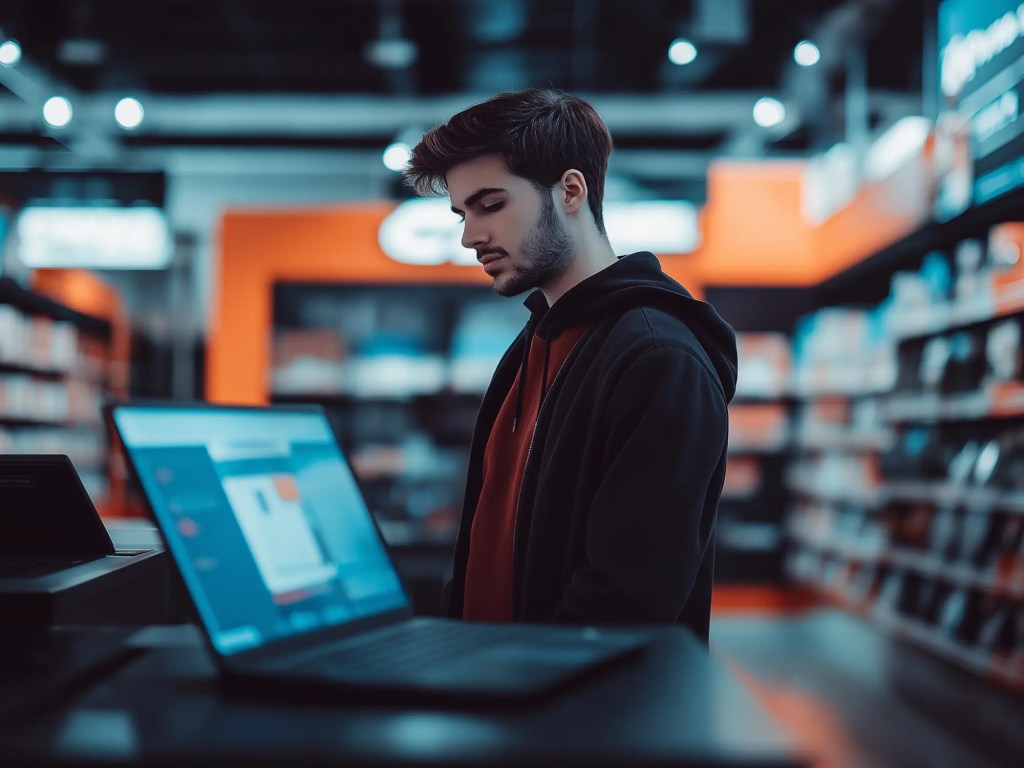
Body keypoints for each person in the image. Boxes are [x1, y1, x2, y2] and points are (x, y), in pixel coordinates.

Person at [404, 88, 736, 642]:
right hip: (496, 686)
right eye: (463, 213)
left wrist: (521, 688)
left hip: (580, 714)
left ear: (570, 190)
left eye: (492, 204)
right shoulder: (534, 343)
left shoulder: (659, 359)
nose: (470, 236)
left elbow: (626, 601)